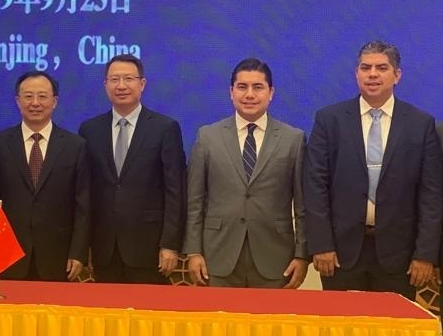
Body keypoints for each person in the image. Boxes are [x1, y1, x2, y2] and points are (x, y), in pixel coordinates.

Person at [304, 40, 442, 297]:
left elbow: (431, 195)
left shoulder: (421, 124)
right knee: (341, 322)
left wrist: (425, 254)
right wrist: (321, 244)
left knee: (392, 324)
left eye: (382, 68)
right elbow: (315, 186)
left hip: (400, 257)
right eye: (365, 68)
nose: (373, 74)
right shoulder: (329, 120)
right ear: (356, 74)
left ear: (397, 75)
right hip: (339, 254)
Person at [184, 58, 308, 288]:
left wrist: (302, 255)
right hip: (217, 255)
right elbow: (195, 201)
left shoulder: (294, 139)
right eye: (242, 87)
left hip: (275, 256)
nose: (249, 94)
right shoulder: (207, 137)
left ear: (271, 93)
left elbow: (303, 206)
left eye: (257, 87)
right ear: (231, 92)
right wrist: (193, 251)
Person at [78, 54, 185, 284]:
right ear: (105, 85)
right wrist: (84, 245)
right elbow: (85, 192)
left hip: (149, 248)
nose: (121, 86)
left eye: (128, 78)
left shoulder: (164, 128)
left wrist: (170, 244)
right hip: (104, 248)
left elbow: (175, 191)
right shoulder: (89, 130)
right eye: (114, 79)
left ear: (142, 84)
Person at [0, 70, 89, 281]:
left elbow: (83, 205)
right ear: (18, 101)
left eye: (42, 96)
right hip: (7, 252)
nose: (35, 103)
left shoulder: (75, 146)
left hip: (58, 255)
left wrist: (78, 252)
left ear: (54, 102)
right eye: (28, 96)